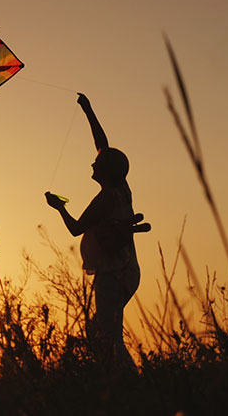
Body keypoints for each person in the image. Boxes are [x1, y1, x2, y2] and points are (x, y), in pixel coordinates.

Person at [45, 93, 150, 368]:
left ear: (104, 170)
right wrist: (88, 111)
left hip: (112, 274)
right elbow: (102, 144)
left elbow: (75, 229)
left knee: (107, 334)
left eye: (97, 163)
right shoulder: (122, 190)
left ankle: (126, 383)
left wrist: (58, 207)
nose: (92, 163)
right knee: (102, 331)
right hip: (128, 270)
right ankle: (118, 379)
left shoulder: (105, 199)